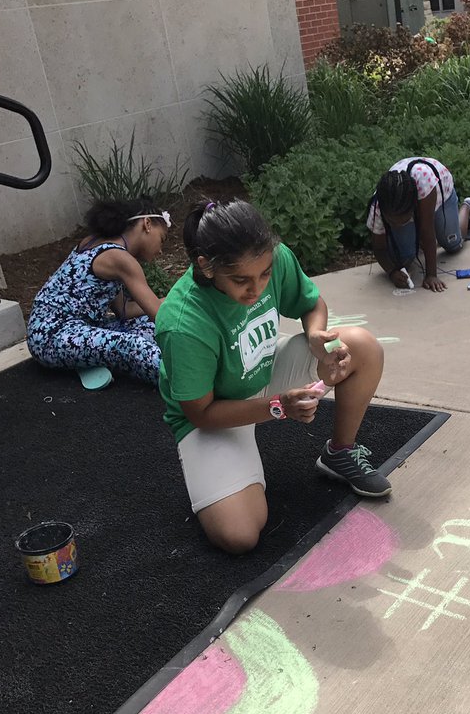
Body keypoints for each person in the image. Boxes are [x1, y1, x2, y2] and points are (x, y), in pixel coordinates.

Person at [154, 199, 390, 554]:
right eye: (241, 281)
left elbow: (312, 304)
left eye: (264, 274)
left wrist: (315, 340)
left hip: (262, 370)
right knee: (240, 535)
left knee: (363, 347)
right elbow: (199, 412)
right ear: (205, 267)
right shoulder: (184, 322)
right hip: (213, 414)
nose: (258, 288)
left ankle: (339, 452)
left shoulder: (271, 256)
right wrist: (279, 406)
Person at [26, 198, 168, 388]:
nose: (160, 249)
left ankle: (86, 360)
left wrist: (167, 301)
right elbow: (159, 315)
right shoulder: (120, 258)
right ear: (147, 224)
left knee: (145, 326)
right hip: (51, 335)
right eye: (162, 239)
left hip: (77, 327)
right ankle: (189, 384)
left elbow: (124, 310)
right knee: (131, 345)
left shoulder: (99, 244)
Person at [367, 156, 470, 293]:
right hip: (410, 203)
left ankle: (467, 208)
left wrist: (431, 275)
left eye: (403, 220)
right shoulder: (379, 207)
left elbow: (427, 231)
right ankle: (414, 238)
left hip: (439, 190)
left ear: (412, 207)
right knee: (403, 259)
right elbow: (379, 248)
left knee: (453, 245)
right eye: (392, 222)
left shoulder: (424, 184)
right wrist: (392, 272)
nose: (397, 225)